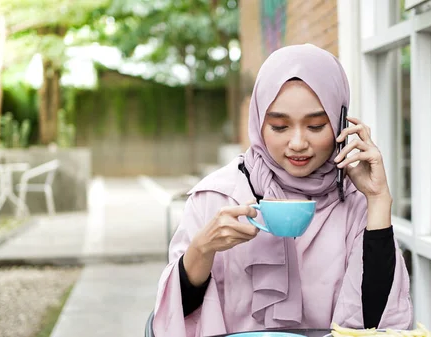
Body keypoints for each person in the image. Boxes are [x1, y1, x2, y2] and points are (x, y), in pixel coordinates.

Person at [152, 44, 412, 336]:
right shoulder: (216, 197)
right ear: (258, 123)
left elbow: (376, 322)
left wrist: (378, 200)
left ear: (341, 124)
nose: (298, 142)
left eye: (315, 126)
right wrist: (202, 248)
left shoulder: (356, 201)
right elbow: (174, 319)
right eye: (279, 127)